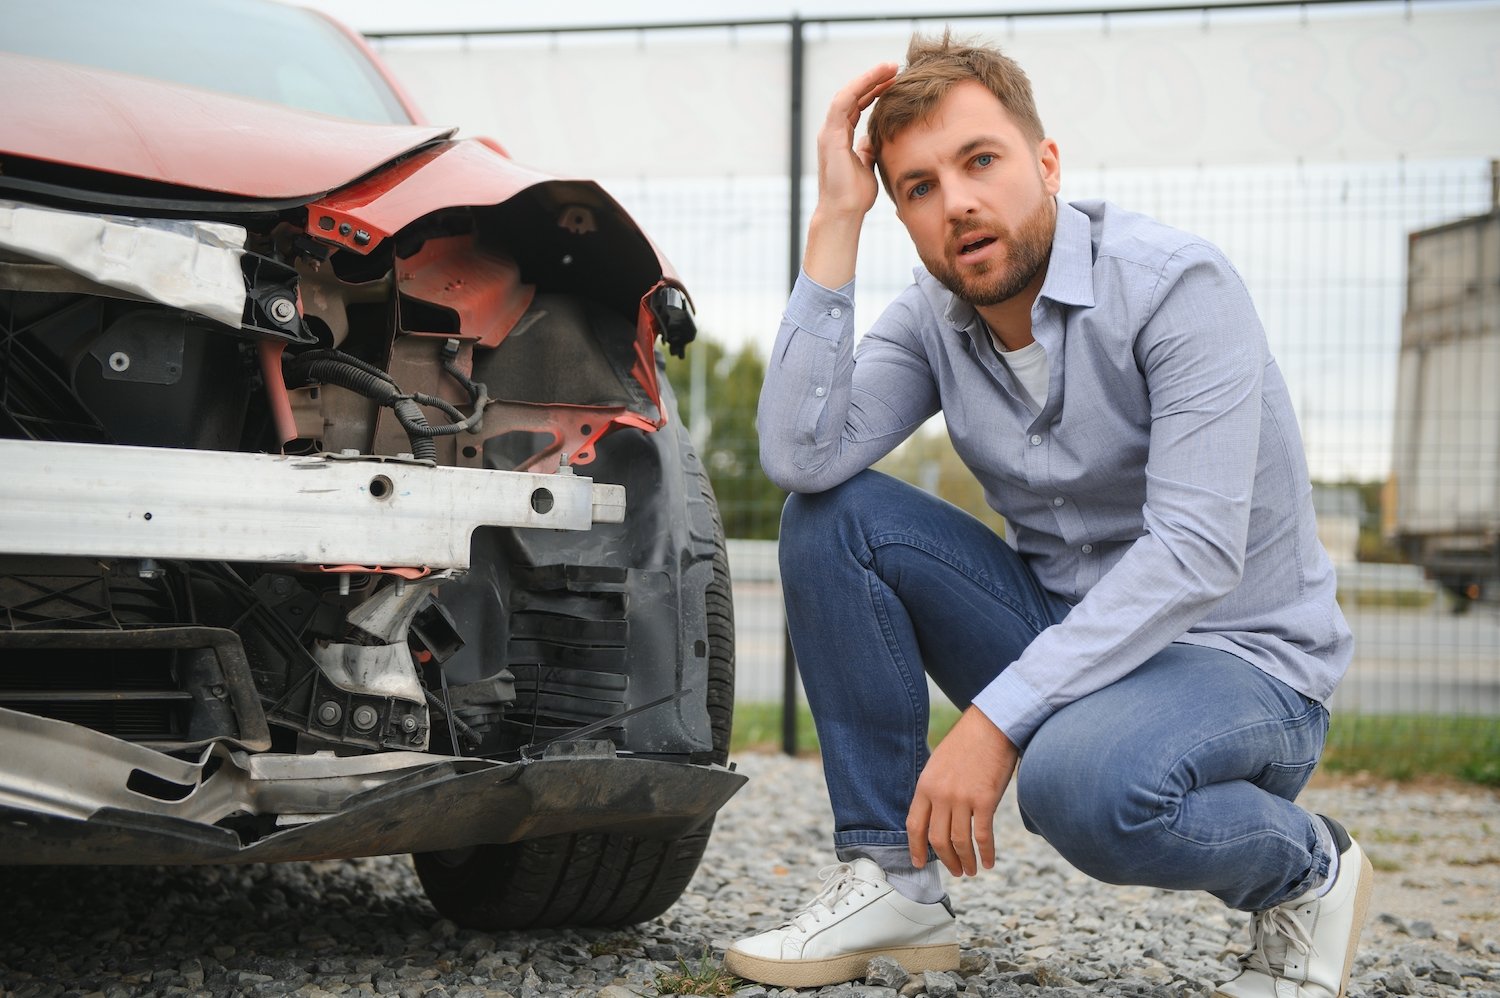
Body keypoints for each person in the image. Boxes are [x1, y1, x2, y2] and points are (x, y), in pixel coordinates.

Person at [727, 32, 1372, 998]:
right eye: (918, 187)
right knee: (832, 517)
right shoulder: (934, 318)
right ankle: (895, 884)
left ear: (1047, 162)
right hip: (1073, 640)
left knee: (1079, 785)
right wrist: (835, 216)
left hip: (1244, 663)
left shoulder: (1175, 288)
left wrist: (993, 722)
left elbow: (1194, 556)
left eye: (979, 161)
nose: (959, 203)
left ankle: (1312, 869)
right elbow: (800, 456)